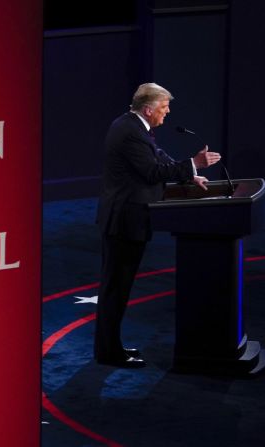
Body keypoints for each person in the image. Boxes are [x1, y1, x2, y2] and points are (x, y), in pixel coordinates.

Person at [94, 83, 221, 367]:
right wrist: (194, 164)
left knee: (117, 288)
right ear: (148, 109)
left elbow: (158, 157)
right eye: (164, 108)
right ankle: (109, 352)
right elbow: (151, 172)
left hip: (127, 218)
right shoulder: (130, 132)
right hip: (124, 220)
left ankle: (109, 348)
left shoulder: (134, 126)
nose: (168, 113)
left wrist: (189, 174)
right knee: (116, 289)